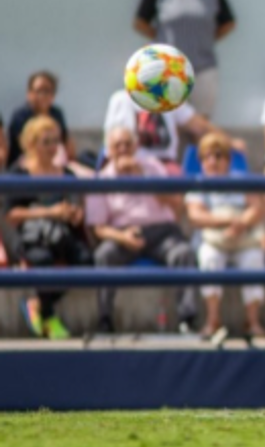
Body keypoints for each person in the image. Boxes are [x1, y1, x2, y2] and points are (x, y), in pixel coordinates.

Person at [86, 127, 197, 334]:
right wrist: (123, 237)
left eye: (128, 144)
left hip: (162, 233)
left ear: (136, 147)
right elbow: (98, 228)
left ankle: (187, 320)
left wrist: (143, 178)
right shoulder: (101, 179)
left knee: (184, 253)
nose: (123, 149)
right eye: (117, 145)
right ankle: (105, 320)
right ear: (109, 150)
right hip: (123, 235)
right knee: (103, 255)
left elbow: (175, 204)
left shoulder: (153, 167)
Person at [133, 0, 236, 118]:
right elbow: (139, 22)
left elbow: (228, 23)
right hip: (168, 70)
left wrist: (207, 38)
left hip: (204, 67)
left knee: (202, 124)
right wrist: (160, 39)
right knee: (172, 120)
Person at [5, 116, 89, 339]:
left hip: (61, 234)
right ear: (32, 144)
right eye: (46, 142)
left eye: (55, 141)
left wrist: (73, 214)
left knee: (86, 261)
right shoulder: (18, 175)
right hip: (30, 236)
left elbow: (76, 209)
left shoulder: (67, 174)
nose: (52, 147)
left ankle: (38, 304)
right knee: (42, 260)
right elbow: (12, 215)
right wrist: (49, 212)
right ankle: (49, 316)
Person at [185, 133, 265, 338]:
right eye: (207, 157)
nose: (213, 161)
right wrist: (227, 222)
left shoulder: (240, 180)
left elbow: (257, 208)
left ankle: (253, 322)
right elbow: (195, 215)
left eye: (218, 155)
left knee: (254, 259)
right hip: (213, 240)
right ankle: (213, 321)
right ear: (201, 161)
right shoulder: (198, 184)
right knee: (209, 257)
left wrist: (240, 224)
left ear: (228, 160)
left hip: (243, 239)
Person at [103, 88, 223, 172]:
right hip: (130, 164)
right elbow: (116, 143)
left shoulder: (169, 99)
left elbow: (200, 126)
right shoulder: (120, 99)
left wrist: (229, 142)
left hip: (166, 167)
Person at [7, 71, 76, 169]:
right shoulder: (20, 116)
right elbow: (28, 149)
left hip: (56, 163)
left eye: (47, 91)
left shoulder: (57, 114)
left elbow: (66, 143)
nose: (43, 95)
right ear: (29, 93)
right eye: (39, 90)